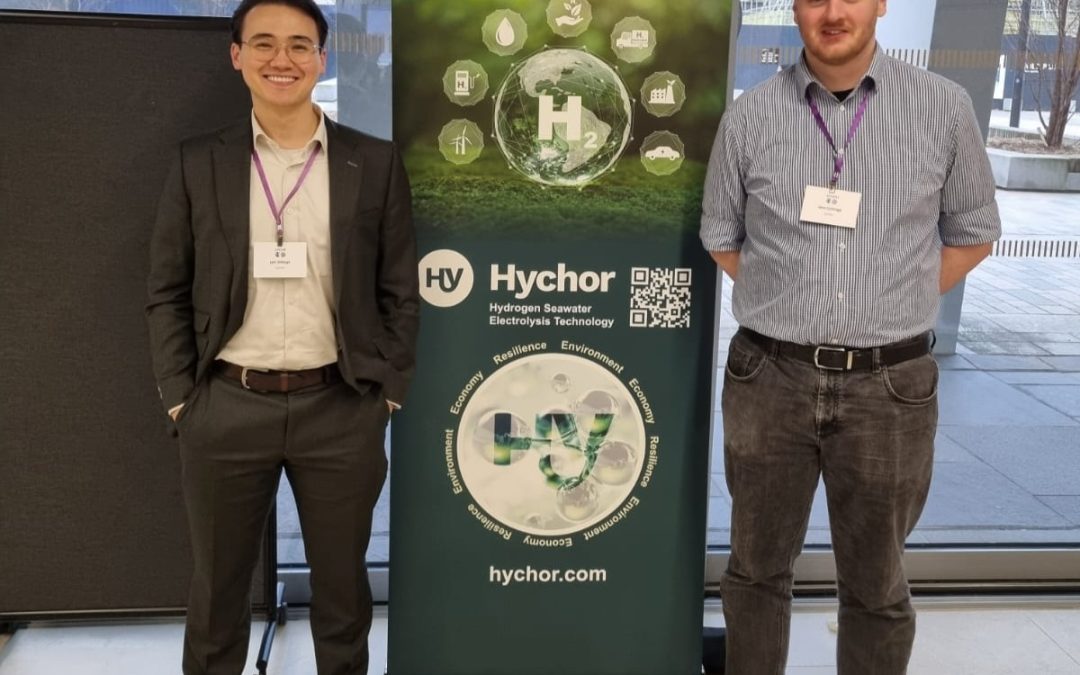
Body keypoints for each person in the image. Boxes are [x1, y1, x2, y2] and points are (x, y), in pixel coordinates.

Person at [699, 1, 1000, 673]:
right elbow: (720, 233)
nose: (833, 12)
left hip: (890, 387)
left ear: (881, 4)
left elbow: (975, 230)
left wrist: (896, 297)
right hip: (769, 378)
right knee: (755, 572)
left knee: (877, 586)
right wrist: (788, 294)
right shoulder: (750, 116)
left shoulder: (942, 108)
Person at [145, 0, 418, 672]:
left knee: (344, 595)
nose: (282, 59)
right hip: (225, 407)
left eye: (300, 45)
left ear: (321, 59)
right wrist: (182, 398)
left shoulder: (373, 162)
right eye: (263, 43)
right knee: (217, 596)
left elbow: (399, 289)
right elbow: (166, 289)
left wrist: (384, 393)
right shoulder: (198, 163)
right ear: (236, 55)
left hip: (341, 408)